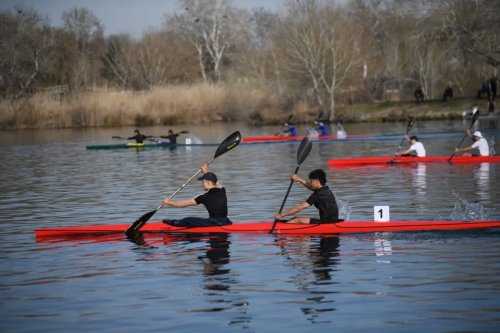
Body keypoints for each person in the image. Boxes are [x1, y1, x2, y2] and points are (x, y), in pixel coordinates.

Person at [162, 162, 232, 227]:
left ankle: (170, 224)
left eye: (203, 182)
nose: (202, 184)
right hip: (226, 221)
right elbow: (216, 182)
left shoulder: (204, 197)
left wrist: (169, 202)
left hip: (214, 223)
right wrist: (205, 172)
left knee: (188, 220)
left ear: (208, 183)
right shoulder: (222, 190)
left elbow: (185, 203)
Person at [275, 169, 339, 224]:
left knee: (296, 220)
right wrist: (299, 179)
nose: (310, 183)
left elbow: (299, 208)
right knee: (297, 219)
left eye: (311, 181)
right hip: (334, 220)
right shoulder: (327, 190)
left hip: (325, 223)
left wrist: (282, 215)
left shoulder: (317, 194)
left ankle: (281, 228)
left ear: (317, 181)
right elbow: (311, 187)